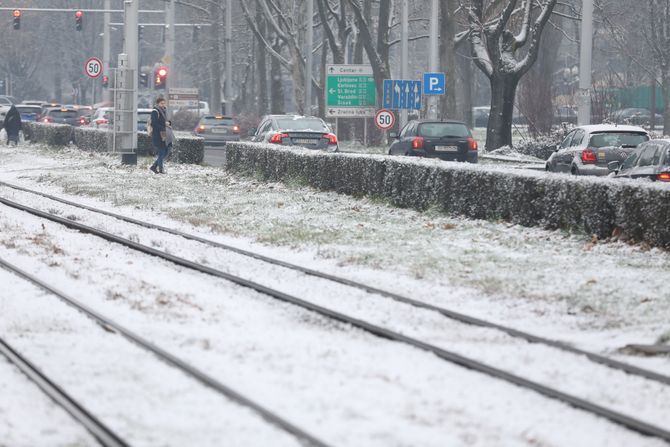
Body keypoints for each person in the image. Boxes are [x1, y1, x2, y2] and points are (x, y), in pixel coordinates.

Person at [149, 97, 169, 174]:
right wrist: (164, 126)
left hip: (165, 134)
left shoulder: (165, 111)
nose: (163, 105)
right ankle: (160, 169)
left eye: (164, 103)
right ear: (158, 104)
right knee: (162, 151)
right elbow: (154, 124)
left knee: (166, 151)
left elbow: (168, 120)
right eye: (161, 103)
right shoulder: (155, 111)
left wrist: (169, 124)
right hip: (158, 134)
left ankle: (154, 166)